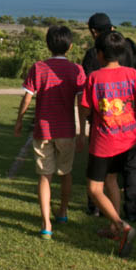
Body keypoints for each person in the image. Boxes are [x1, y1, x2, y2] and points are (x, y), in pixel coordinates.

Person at [78, 31, 136, 257]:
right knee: (112, 180)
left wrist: (80, 131)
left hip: (104, 143)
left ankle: (122, 226)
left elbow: (85, 109)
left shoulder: (94, 78)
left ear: (99, 54)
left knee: (94, 189)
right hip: (130, 140)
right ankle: (113, 228)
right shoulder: (133, 74)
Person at [14, 25, 86, 239]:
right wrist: (82, 132)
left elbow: (27, 97)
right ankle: (63, 212)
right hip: (67, 131)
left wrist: (19, 120)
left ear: (48, 45)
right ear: (70, 46)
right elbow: (82, 104)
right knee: (66, 173)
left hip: (43, 131)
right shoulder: (77, 70)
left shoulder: (38, 68)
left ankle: (46, 224)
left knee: (44, 176)